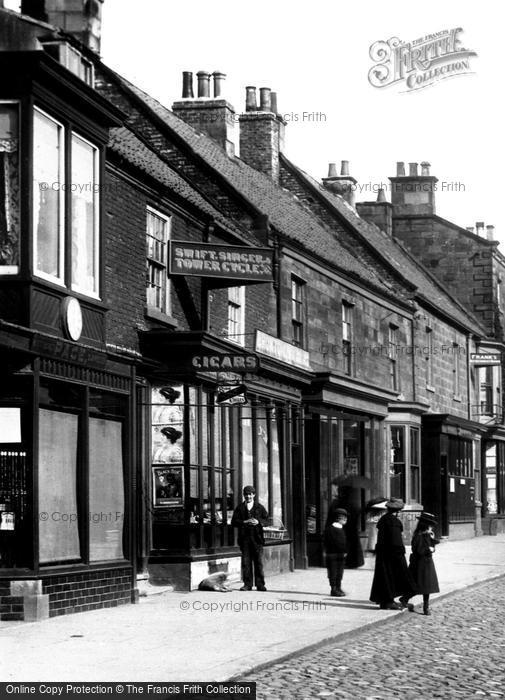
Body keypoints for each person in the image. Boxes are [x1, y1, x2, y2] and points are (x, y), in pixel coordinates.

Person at [369, 497, 415, 610]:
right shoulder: (393, 522)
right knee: (394, 577)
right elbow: (395, 542)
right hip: (392, 555)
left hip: (384, 554)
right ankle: (388, 602)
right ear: (398, 511)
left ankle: (386, 601)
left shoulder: (384, 519)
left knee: (385, 577)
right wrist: (400, 554)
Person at [400, 512, 440, 616]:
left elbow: (433, 544)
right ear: (424, 525)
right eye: (430, 525)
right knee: (416, 585)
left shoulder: (426, 535)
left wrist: (432, 540)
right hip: (419, 564)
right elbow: (419, 550)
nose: (431, 527)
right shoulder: (418, 536)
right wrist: (429, 549)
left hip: (427, 563)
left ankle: (426, 607)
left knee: (427, 586)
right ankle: (404, 599)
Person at [231, 485, 269, 591]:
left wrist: (259, 522)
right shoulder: (240, 508)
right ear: (243, 495)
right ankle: (247, 584)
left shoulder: (260, 507)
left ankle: (260, 584)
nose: (248, 496)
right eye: (246, 494)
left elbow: (267, 521)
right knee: (246, 563)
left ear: (254, 495)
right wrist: (244, 522)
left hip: (257, 539)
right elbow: (234, 522)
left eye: (250, 494)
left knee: (259, 562)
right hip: (245, 540)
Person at [328, 486, 364, 568]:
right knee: (351, 545)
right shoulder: (353, 503)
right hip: (350, 529)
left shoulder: (337, 503)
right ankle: (353, 562)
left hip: (342, 528)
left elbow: (331, 516)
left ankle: (344, 561)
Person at [323, 507, 348, 597]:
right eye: (343, 518)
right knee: (333, 572)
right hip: (332, 554)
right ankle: (333, 589)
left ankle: (338, 587)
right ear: (338, 518)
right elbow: (328, 542)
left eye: (346, 518)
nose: (345, 520)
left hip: (341, 555)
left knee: (340, 572)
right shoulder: (330, 529)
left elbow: (344, 542)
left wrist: (345, 551)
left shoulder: (342, 529)